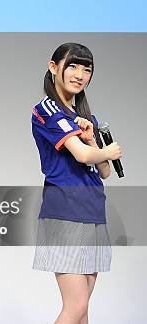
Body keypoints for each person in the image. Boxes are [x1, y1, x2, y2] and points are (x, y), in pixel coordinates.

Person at [31, 42, 122, 324]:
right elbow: (83, 156)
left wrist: (94, 140)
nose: (79, 74)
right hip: (66, 213)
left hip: (92, 211)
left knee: (82, 311)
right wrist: (104, 151)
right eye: (72, 66)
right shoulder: (47, 109)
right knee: (75, 306)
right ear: (53, 67)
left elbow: (105, 172)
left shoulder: (85, 119)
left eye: (87, 69)